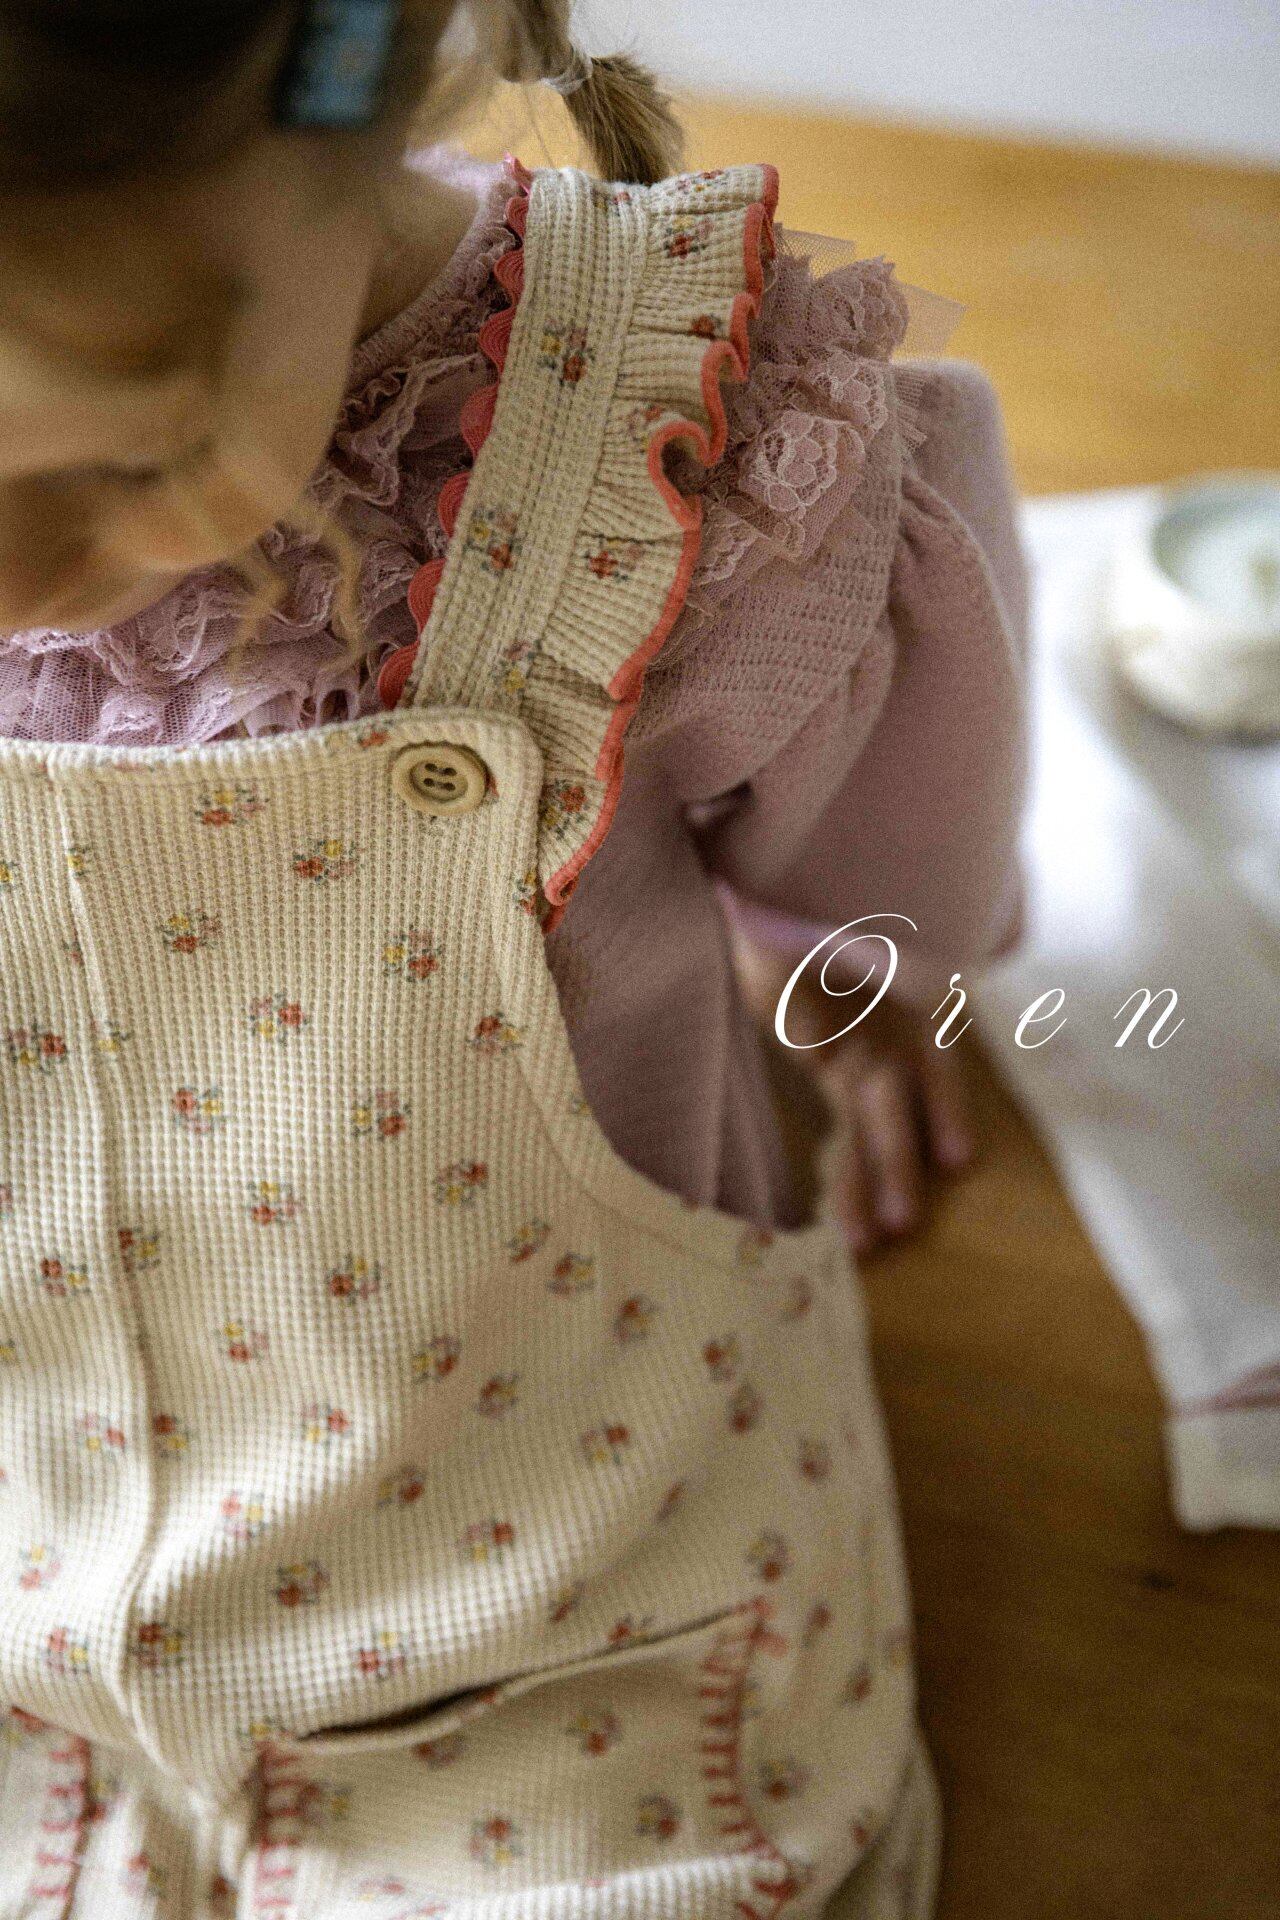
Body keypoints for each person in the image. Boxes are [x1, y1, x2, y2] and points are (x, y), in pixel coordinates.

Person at [0, 3, 1026, 1915]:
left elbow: (898, 851)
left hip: (550, 1567)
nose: (16, 589)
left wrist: (868, 990)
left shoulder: (682, 466)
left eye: (131, 456)